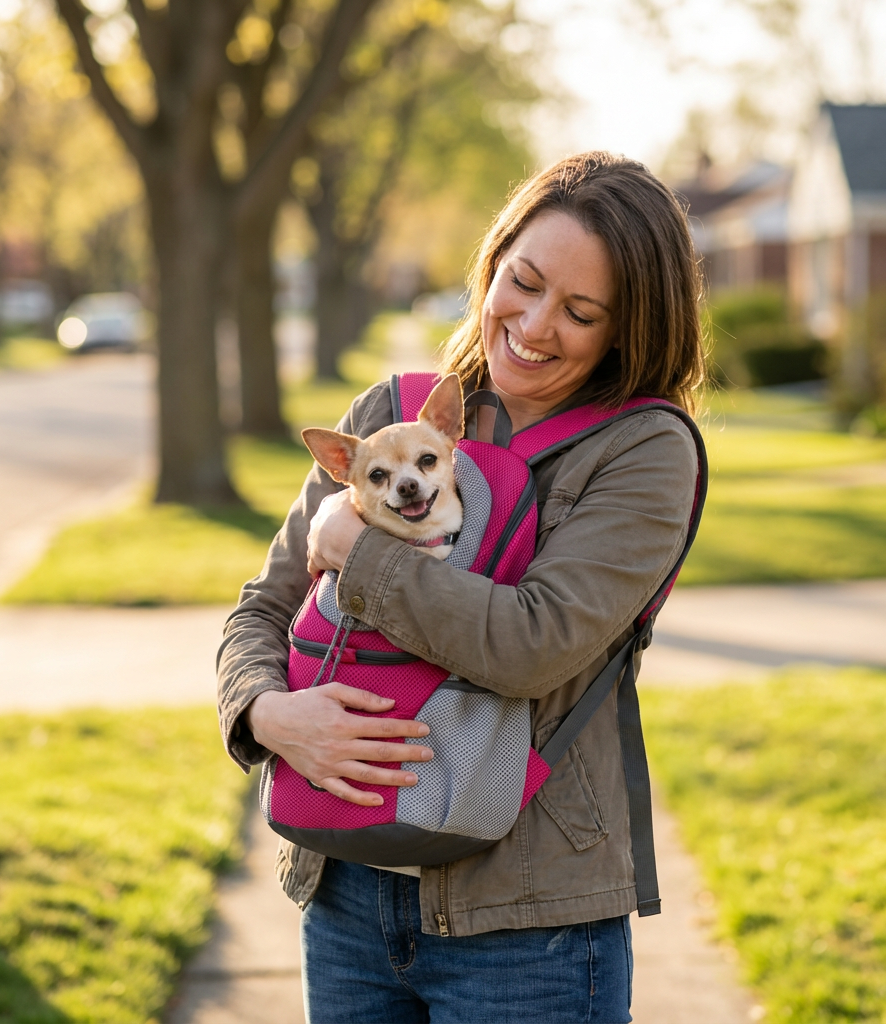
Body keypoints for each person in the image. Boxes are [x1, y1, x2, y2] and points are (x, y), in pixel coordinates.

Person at [217, 151, 704, 1023]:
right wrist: (263, 712)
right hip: (345, 892)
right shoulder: (389, 415)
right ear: (493, 263)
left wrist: (356, 548)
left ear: (628, 331)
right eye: (524, 282)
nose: (534, 324)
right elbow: (264, 605)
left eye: (580, 312)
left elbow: (531, 646)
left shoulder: (643, 451)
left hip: (528, 925)